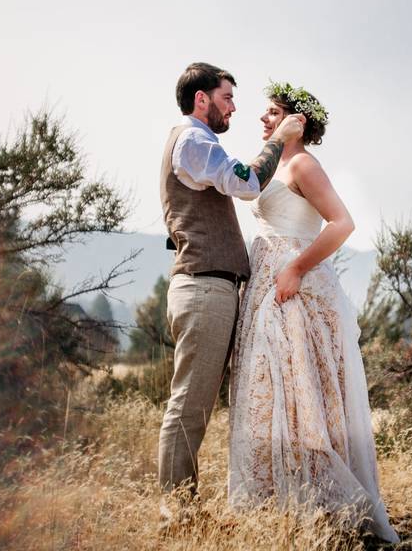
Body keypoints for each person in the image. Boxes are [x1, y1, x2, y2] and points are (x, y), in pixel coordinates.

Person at [227, 81, 399, 543]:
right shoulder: (273, 162)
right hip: (265, 281)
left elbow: (343, 223)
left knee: (300, 389)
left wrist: (297, 268)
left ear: (297, 121)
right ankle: (272, 500)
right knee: (267, 387)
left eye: (273, 112)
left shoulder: (302, 163)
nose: (263, 119)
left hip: (292, 284)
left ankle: (322, 504)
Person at [158, 63, 304, 505]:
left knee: (196, 405)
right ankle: (176, 513)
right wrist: (279, 140)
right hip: (204, 288)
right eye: (226, 98)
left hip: (210, 287)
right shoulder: (195, 140)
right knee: (189, 406)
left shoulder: (192, 141)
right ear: (201, 99)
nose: (234, 108)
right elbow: (245, 183)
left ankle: (182, 504)